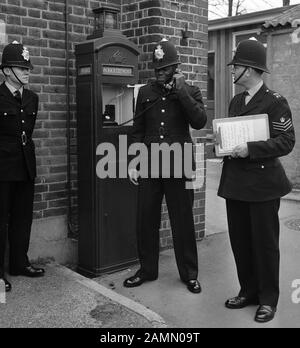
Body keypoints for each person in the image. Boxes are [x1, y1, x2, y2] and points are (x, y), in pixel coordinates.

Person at [218, 38, 295, 322]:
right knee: (240, 242)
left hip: (263, 186)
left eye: (235, 65)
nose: (232, 70)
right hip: (236, 184)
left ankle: (267, 299)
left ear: (248, 69)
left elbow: (286, 141)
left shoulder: (275, 102)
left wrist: (251, 148)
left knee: (264, 244)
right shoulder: (236, 101)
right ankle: (248, 291)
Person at [123, 39, 207, 293]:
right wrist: (133, 162)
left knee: (182, 221)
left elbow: (200, 121)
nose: (160, 74)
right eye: (157, 70)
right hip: (149, 164)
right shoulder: (146, 93)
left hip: (179, 164)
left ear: (175, 68)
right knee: (145, 219)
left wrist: (180, 91)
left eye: (165, 69)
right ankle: (147, 270)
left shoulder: (190, 91)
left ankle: (189, 274)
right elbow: (138, 130)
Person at [0, 41, 45, 293]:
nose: (27, 71)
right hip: (2, 168)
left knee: (22, 219)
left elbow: (27, 133)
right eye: (21, 67)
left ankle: (19, 263)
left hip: (26, 166)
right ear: (7, 70)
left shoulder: (32, 98)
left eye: (28, 67)